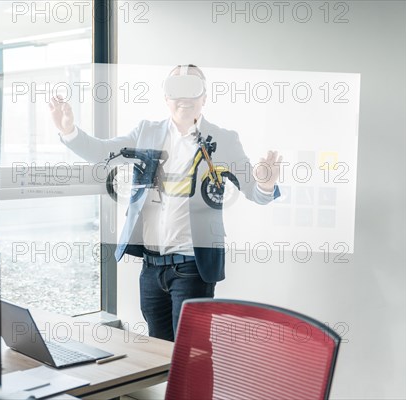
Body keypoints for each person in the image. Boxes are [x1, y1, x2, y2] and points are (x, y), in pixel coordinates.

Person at [49, 64, 281, 341]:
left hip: (192, 268)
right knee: (158, 353)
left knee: (191, 351)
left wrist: (266, 183)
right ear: (166, 98)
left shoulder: (223, 139)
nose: (184, 98)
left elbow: (254, 191)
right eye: (176, 90)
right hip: (151, 269)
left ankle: (197, 387)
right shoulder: (146, 132)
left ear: (204, 97)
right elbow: (103, 153)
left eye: (192, 89)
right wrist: (70, 131)